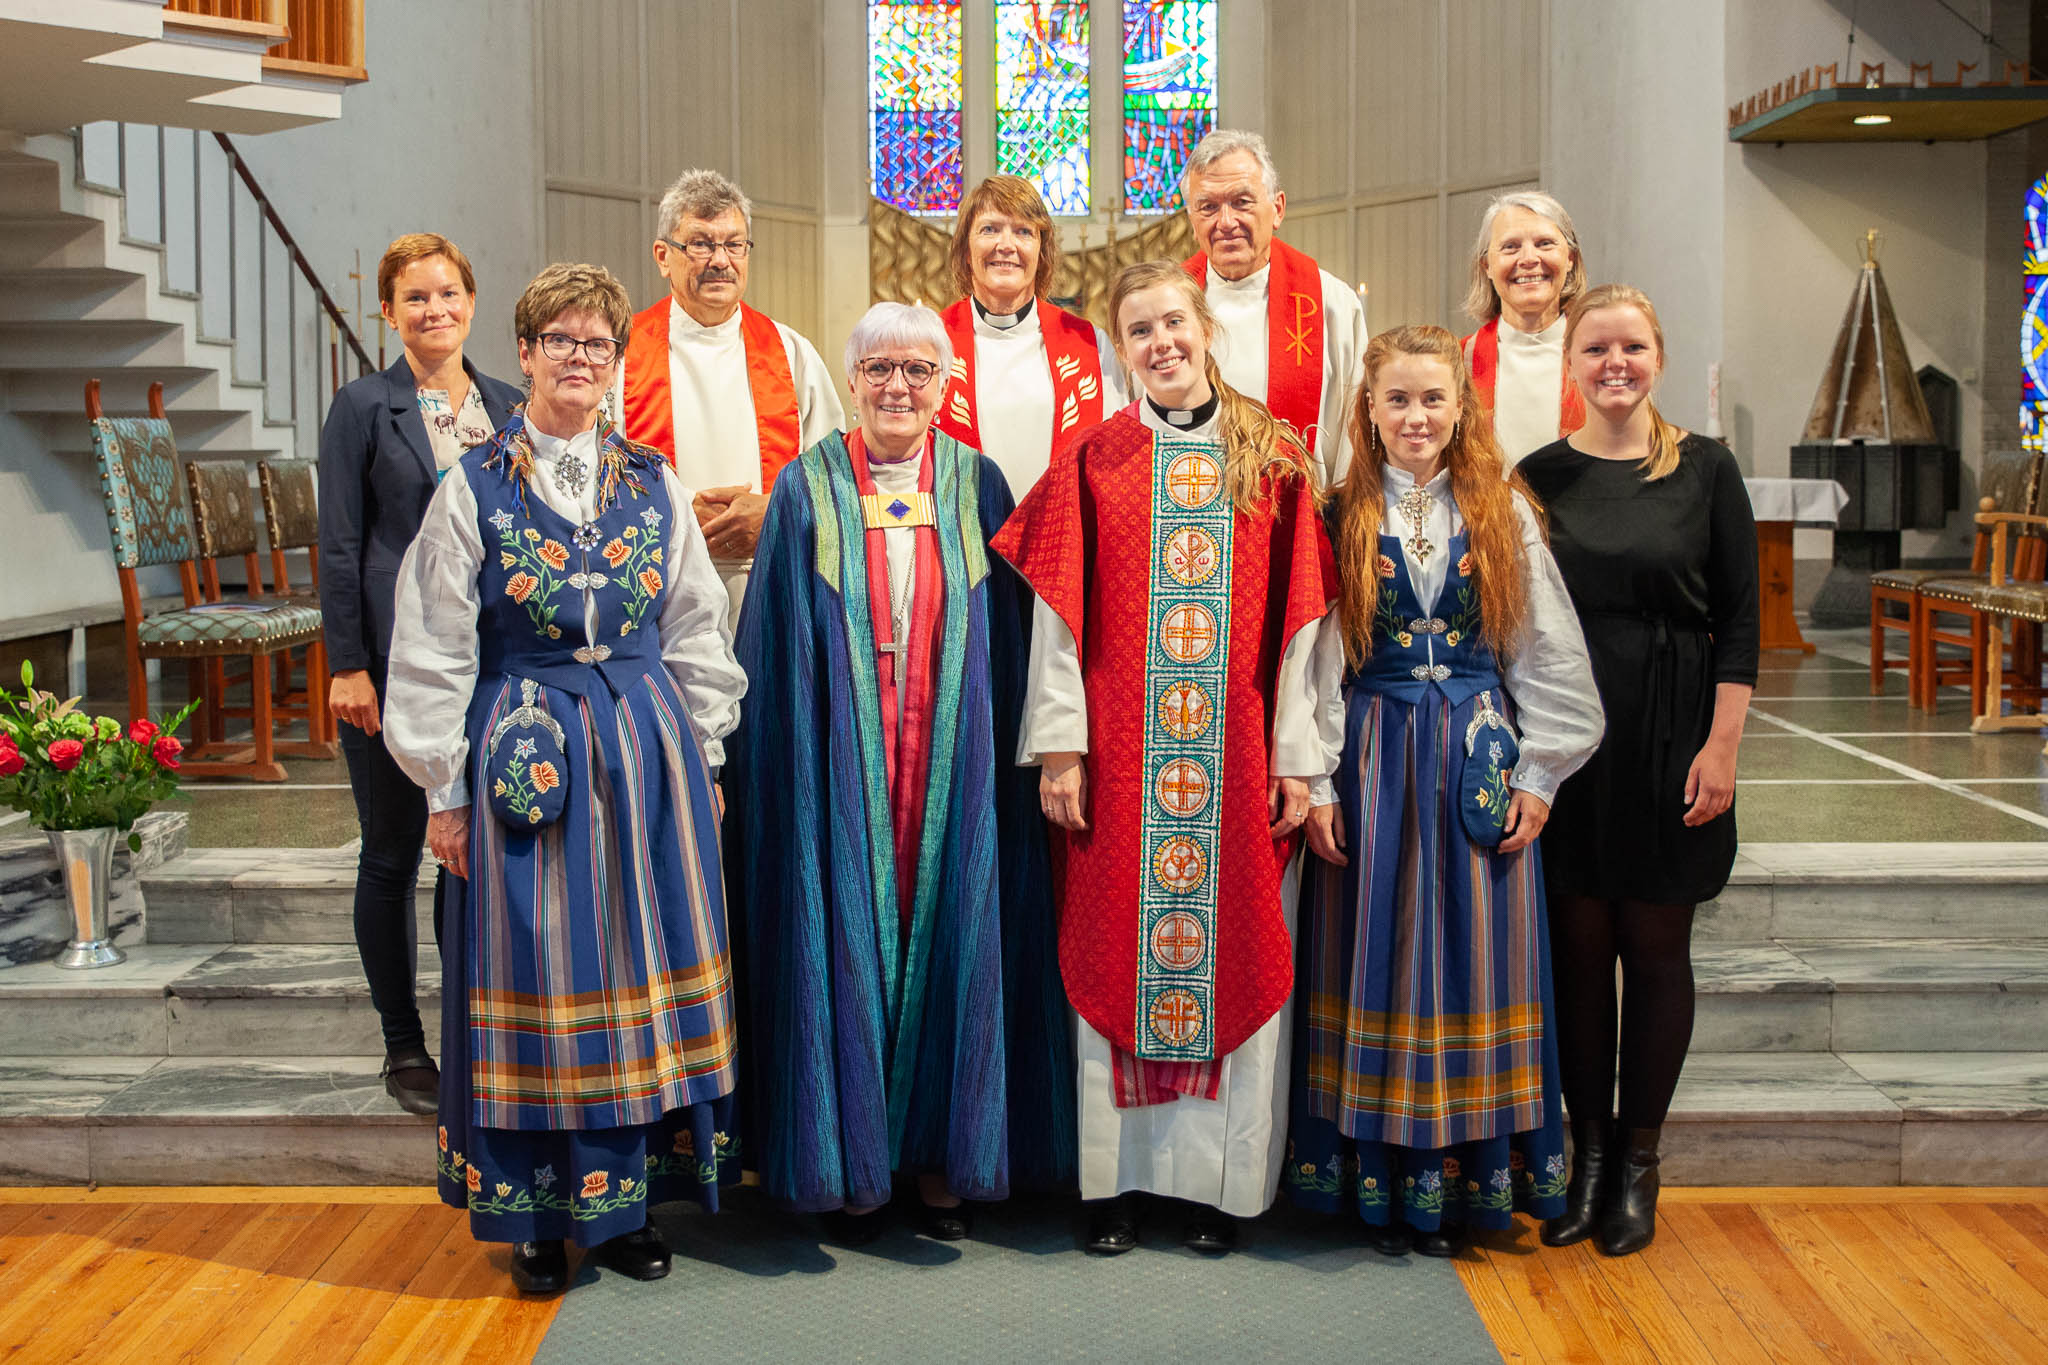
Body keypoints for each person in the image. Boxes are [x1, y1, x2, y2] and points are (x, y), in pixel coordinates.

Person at [383, 263, 747, 1294]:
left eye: (598, 345)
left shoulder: (654, 481)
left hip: (644, 753)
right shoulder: (473, 487)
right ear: (528, 352)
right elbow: (432, 647)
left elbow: (692, 622)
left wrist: (704, 753)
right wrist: (443, 792)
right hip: (522, 761)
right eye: (560, 342)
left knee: (635, 973)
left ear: (615, 363)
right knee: (538, 977)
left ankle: (625, 1209)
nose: (579, 360)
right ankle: (538, 1218)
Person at [993, 260, 1336, 1256]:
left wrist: (1296, 760)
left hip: (1229, 761)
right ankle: (1113, 1187)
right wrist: (1059, 747)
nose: (1159, 343)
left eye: (1171, 323)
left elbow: (1302, 628)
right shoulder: (1093, 458)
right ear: (1121, 347)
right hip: (1120, 762)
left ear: (1205, 328)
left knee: (1227, 945)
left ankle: (1220, 1190)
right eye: (1137, 330)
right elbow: (1055, 621)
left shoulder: (1266, 454)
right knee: (1114, 944)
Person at [725, 302, 1053, 1240]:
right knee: (848, 930)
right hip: (846, 761)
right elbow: (777, 642)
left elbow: (1009, 636)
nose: (898, 388)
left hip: (954, 759)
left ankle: (948, 1160)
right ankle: (854, 1160)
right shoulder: (806, 485)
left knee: (954, 928)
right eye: (879, 370)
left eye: (917, 371)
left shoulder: (977, 484)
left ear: (945, 384)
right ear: (853, 379)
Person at [1290, 324, 1603, 1259]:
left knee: (1477, 955)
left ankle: (1472, 1185)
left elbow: (1546, 651)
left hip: (1473, 752)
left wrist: (1541, 773)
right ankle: (1374, 1181)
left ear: (1461, 407)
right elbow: (1318, 660)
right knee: (1373, 951)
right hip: (1375, 756)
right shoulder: (1340, 509)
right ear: (1370, 410)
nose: (1416, 415)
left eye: (1433, 398)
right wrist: (1315, 779)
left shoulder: (1499, 510)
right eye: (1398, 399)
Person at [1519, 284, 1758, 1257]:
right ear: (1569, 366)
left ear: (1656, 356)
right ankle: (1584, 1163)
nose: (1612, 364)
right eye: (1594, 350)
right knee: (1576, 962)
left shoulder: (1705, 470)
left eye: (1630, 347)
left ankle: (1638, 1165)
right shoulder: (1537, 476)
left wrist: (1721, 747)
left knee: (1654, 957)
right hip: (1570, 744)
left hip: (1672, 734)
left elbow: (1738, 621)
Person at [318, 233, 522, 1116]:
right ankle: (404, 1042)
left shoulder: (511, 405)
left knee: (471, 853)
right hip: (394, 666)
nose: (434, 310)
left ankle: (473, 1024)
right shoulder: (365, 406)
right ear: (391, 311)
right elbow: (337, 543)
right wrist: (348, 666)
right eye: (415, 298)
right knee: (395, 850)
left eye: (447, 294)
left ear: (471, 301)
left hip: (491, 666)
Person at [616, 168, 845, 624]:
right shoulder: (619, 354)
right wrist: (678, 510)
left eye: (734, 244)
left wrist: (775, 513)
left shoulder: (791, 352)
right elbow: (594, 472)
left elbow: (834, 475)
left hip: (771, 584)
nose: (720, 260)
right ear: (663, 257)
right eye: (700, 244)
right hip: (656, 583)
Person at [1181, 129, 1367, 487]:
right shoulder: (1164, 308)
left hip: (1299, 523)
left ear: (1277, 208)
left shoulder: (1331, 304)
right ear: (1192, 219)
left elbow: (1352, 441)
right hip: (1192, 517)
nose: (1225, 222)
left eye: (1242, 202)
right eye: (1208, 207)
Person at [935, 174, 1126, 498]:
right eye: (989, 229)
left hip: (1062, 542)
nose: (1006, 245)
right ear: (966, 250)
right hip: (962, 542)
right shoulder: (930, 342)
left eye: (1023, 231)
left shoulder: (1090, 345)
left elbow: (1116, 460)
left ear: (1042, 252)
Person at [1461, 191, 1589, 468]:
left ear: (1571, 259)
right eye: (1510, 247)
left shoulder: (1600, 358)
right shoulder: (1457, 362)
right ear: (1487, 266)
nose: (1529, 258)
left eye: (1545, 244)